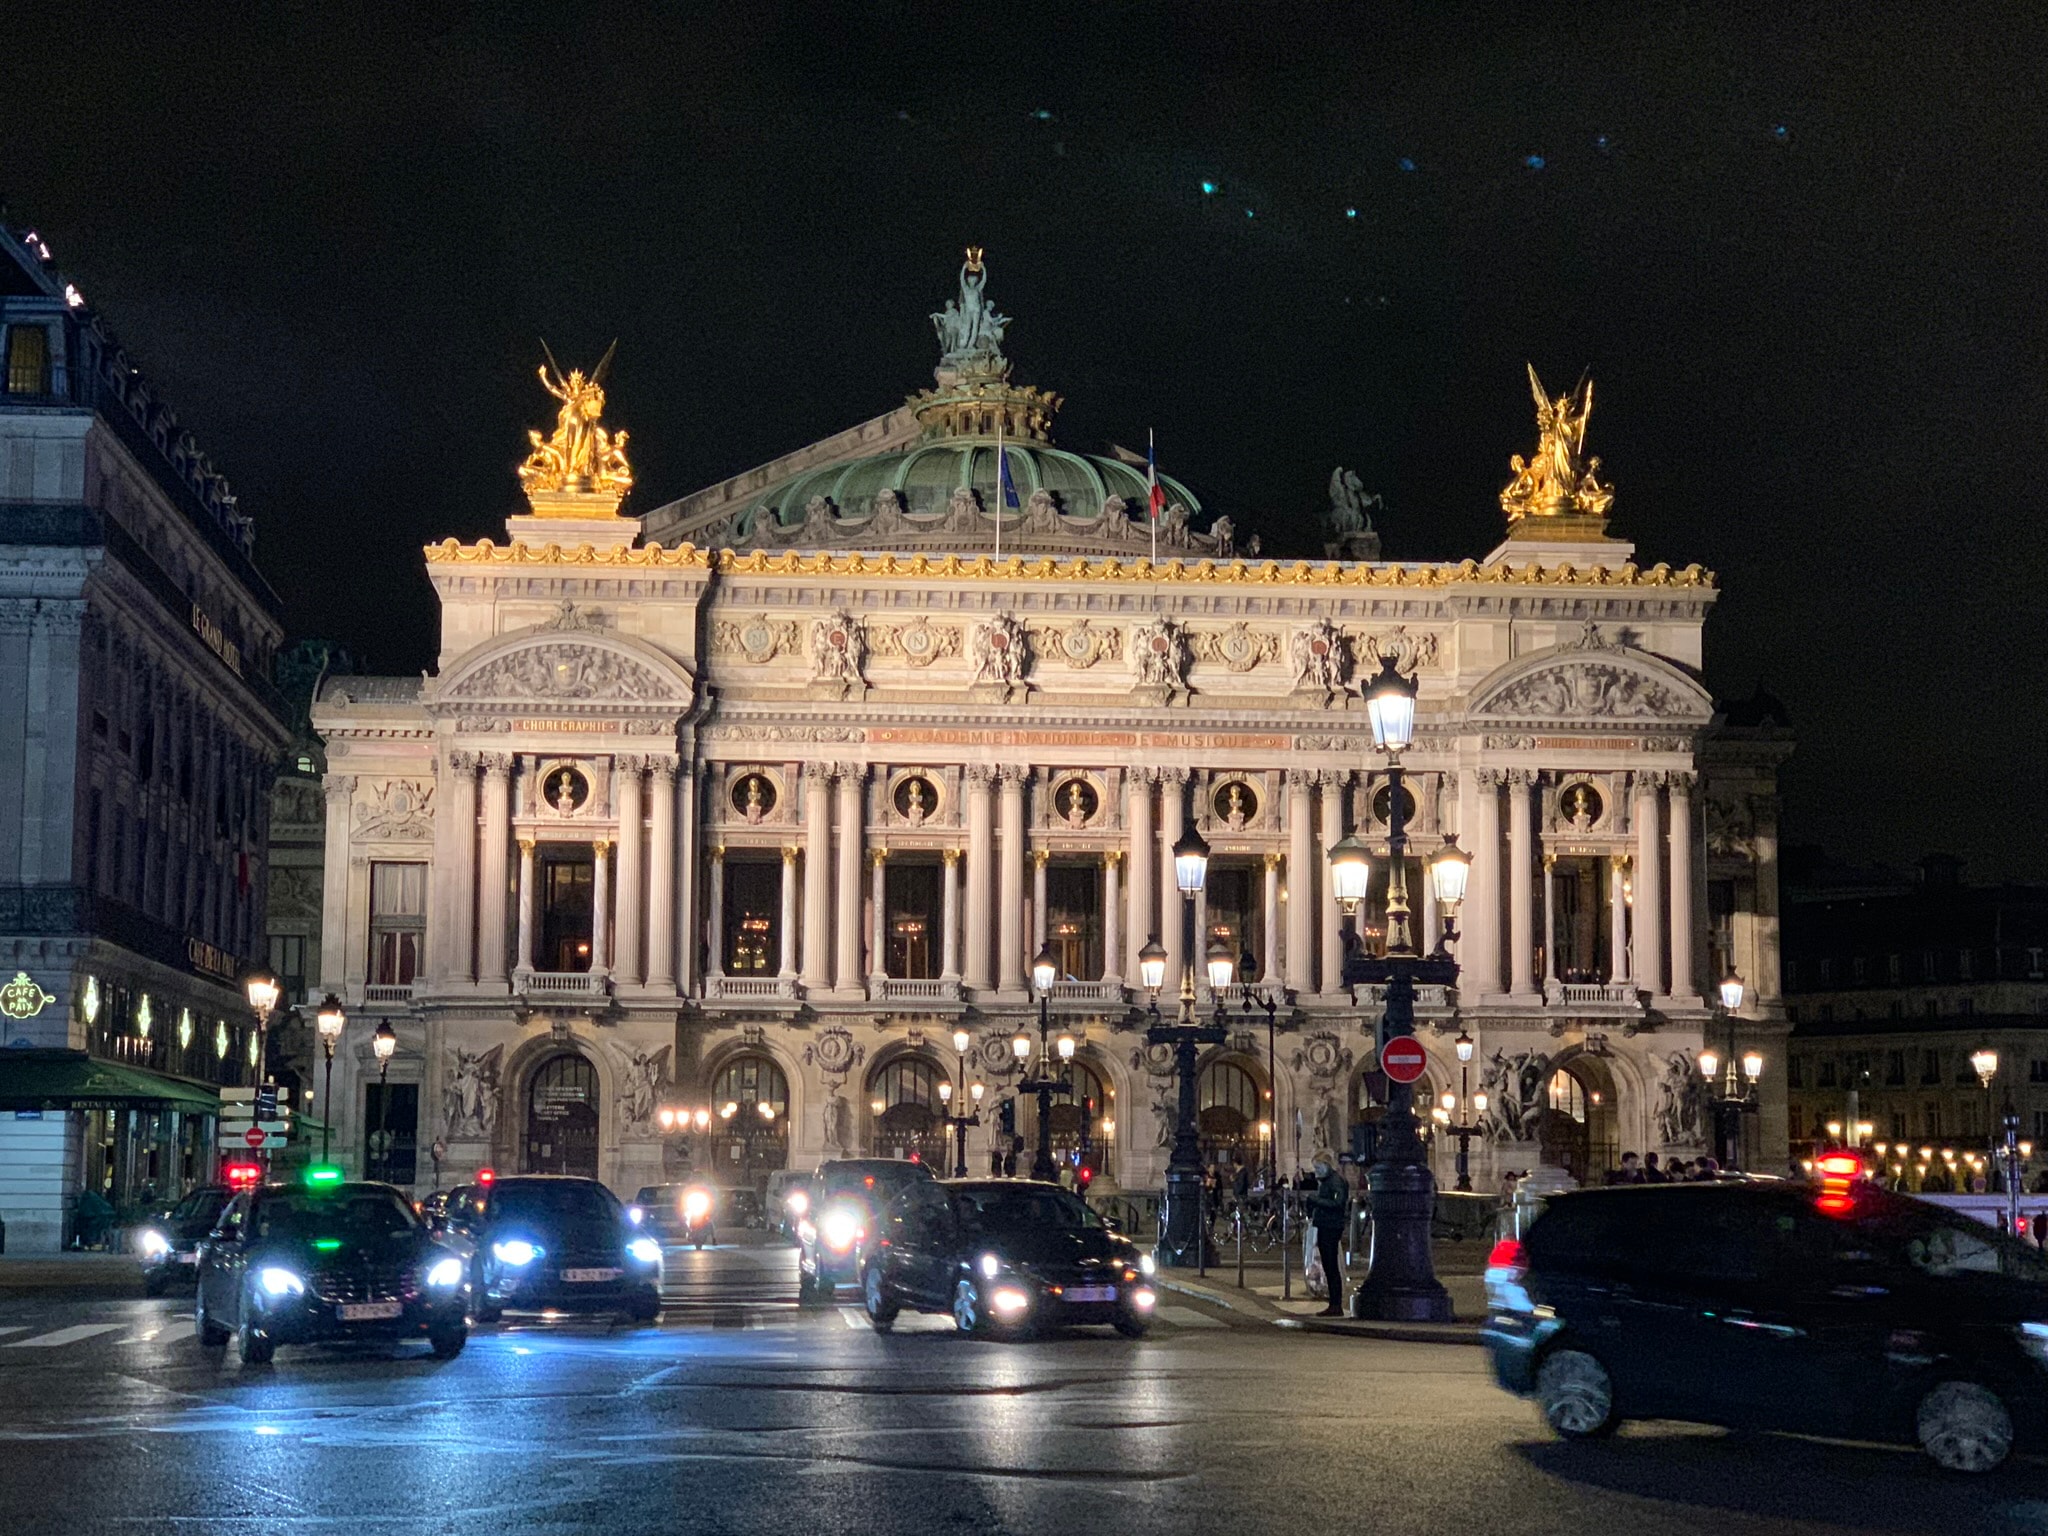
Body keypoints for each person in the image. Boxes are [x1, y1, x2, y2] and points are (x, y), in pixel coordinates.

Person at [1306, 1150, 1350, 1317]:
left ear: (1326, 1165)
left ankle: (1335, 1304)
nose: (1316, 1171)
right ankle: (1334, 1303)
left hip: (1331, 1225)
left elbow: (1338, 1203)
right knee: (1328, 1265)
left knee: (1331, 1266)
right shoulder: (1328, 1181)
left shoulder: (1335, 1181)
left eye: (1318, 1167)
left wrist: (1316, 1200)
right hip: (1327, 1224)